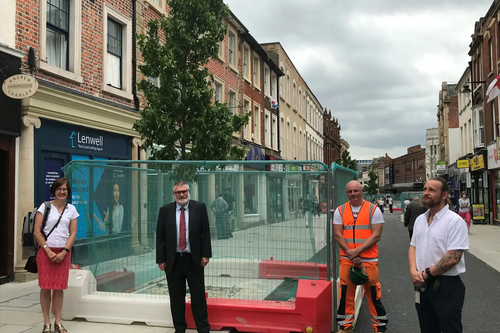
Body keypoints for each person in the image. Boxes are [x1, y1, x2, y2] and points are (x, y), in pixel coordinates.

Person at [408, 177, 469, 333]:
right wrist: (413, 271)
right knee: (427, 329)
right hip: (422, 285)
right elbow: (413, 246)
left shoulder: (454, 221)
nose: (426, 193)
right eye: (425, 189)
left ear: (444, 195)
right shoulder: (420, 220)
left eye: (432, 190)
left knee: (450, 329)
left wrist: (426, 273)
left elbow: (453, 257)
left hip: (446, 286)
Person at [156, 181, 212, 333]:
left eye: (184, 191)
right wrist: (160, 259)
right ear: (173, 195)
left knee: (198, 297)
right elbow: (160, 237)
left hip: (194, 260)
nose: (182, 195)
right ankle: (179, 329)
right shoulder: (165, 210)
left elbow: (205, 232)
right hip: (173, 261)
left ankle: (203, 329)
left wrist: (206, 255)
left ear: (189, 191)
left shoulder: (199, 207)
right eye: (178, 192)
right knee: (176, 298)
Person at [333, 181, 388, 333]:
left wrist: (357, 252)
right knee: (345, 293)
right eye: (350, 191)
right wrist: (351, 254)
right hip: (347, 259)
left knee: (373, 294)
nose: (353, 194)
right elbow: (338, 234)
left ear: (362, 191)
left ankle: (379, 327)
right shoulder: (340, 210)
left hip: (368, 260)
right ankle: (346, 327)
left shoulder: (373, 210)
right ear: (346, 193)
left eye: (356, 190)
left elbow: (376, 235)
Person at [34, 177, 79, 333]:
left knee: (59, 289)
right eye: (59, 189)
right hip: (46, 252)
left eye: (65, 189)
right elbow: (37, 231)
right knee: (45, 288)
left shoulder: (71, 209)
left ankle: (58, 322)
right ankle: (46, 323)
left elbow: (73, 233)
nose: (62, 192)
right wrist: (48, 250)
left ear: (68, 192)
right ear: (54, 190)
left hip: (63, 252)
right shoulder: (45, 207)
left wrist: (64, 252)